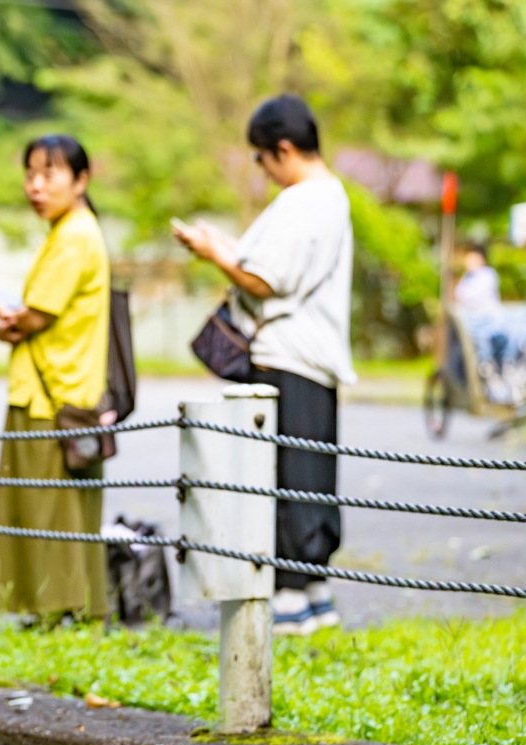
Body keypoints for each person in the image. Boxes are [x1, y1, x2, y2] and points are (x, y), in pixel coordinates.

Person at [172, 94, 356, 636]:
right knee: (313, 472)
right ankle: (316, 595)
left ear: (282, 149)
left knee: (285, 477)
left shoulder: (304, 200)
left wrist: (211, 252)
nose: (261, 168)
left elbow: (263, 279)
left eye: (260, 157)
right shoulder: (330, 197)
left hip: (287, 356)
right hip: (314, 355)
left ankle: (291, 599)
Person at [0, 134, 111, 623]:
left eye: (49, 174)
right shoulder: (75, 231)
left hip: (50, 398)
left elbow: (32, 318)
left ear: (81, 180)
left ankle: (57, 614)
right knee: (62, 514)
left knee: (45, 514)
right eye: (30, 174)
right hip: (68, 393)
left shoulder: (75, 235)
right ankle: (65, 611)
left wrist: (4, 317)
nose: (35, 186)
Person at [455, 243, 501, 310]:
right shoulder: (468, 275)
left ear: (482, 260)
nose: (469, 262)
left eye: (473, 259)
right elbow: (458, 293)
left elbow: (478, 296)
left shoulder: (488, 274)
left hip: (488, 314)